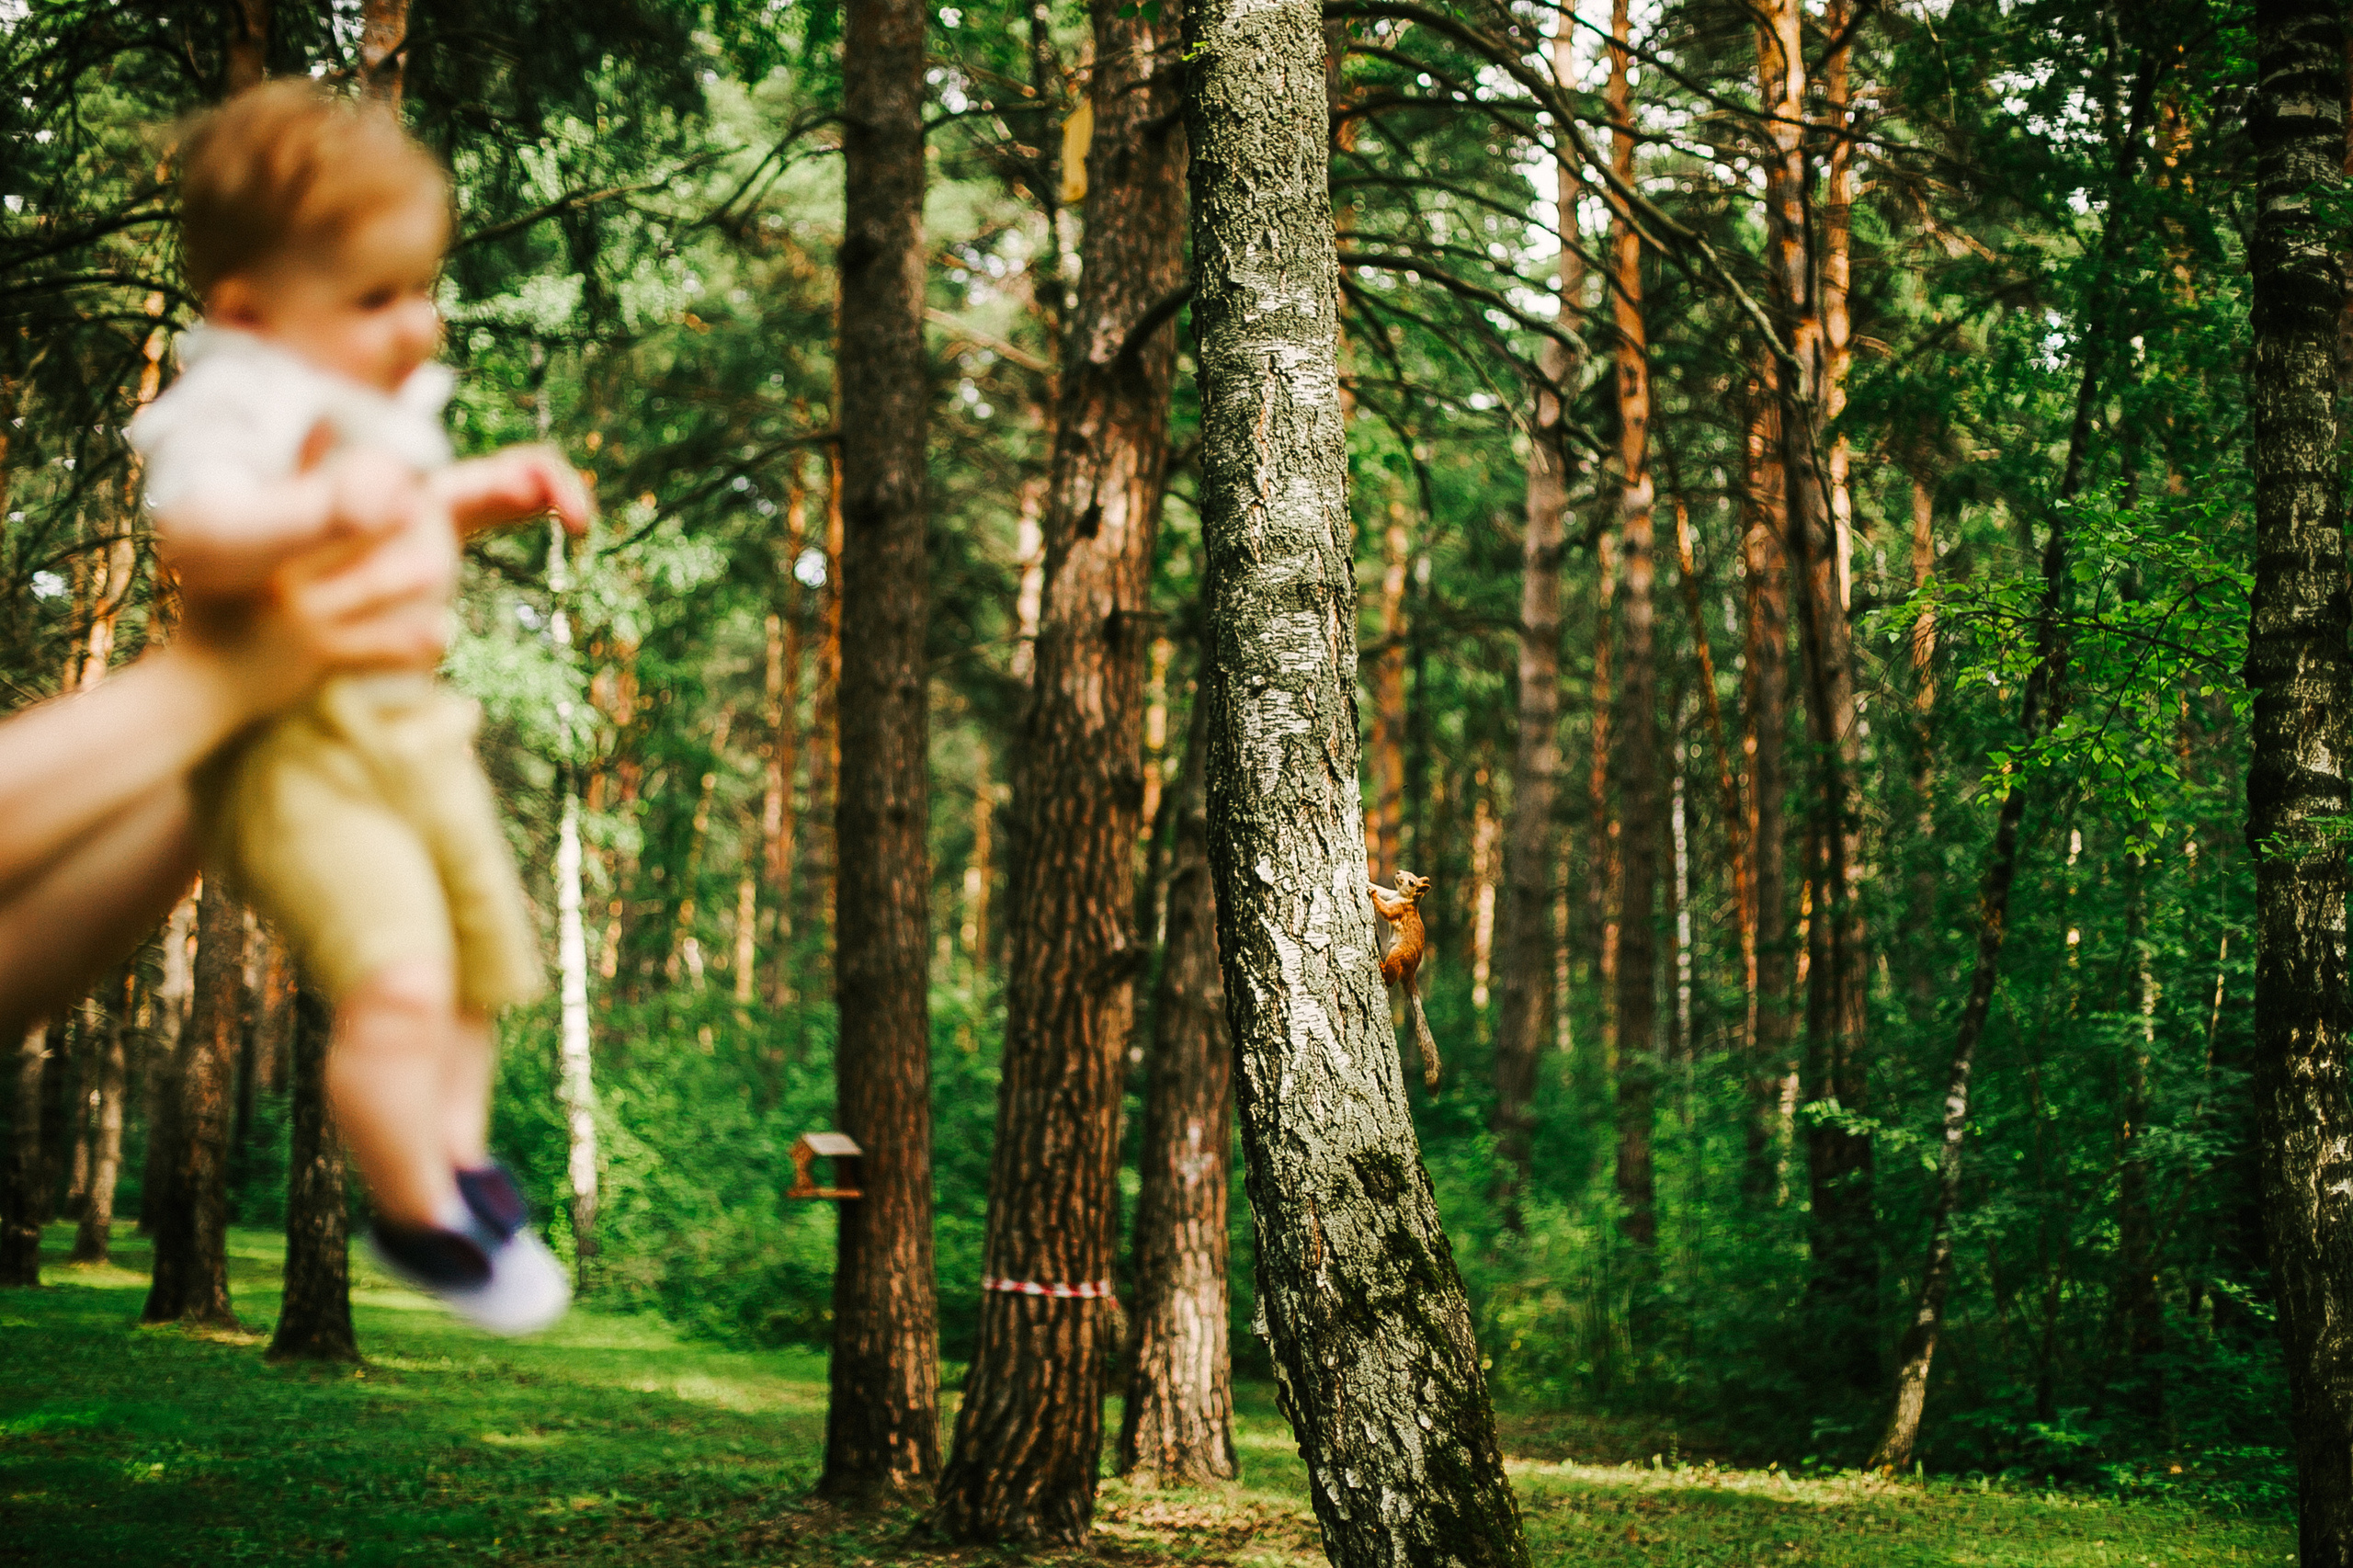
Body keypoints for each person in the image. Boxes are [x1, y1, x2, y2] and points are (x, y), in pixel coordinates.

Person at [122, 80, 585, 1333]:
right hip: (295, 751)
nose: (419, 326)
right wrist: (317, 510)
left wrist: (495, 484)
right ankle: (412, 1208)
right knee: (399, 977)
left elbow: (415, 504)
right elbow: (199, 536)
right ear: (250, 310)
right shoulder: (236, 402)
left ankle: (461, 1160)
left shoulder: (374, 398)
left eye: (421, 288)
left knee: (487, 959)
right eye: (378, 298)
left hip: (410, 728)